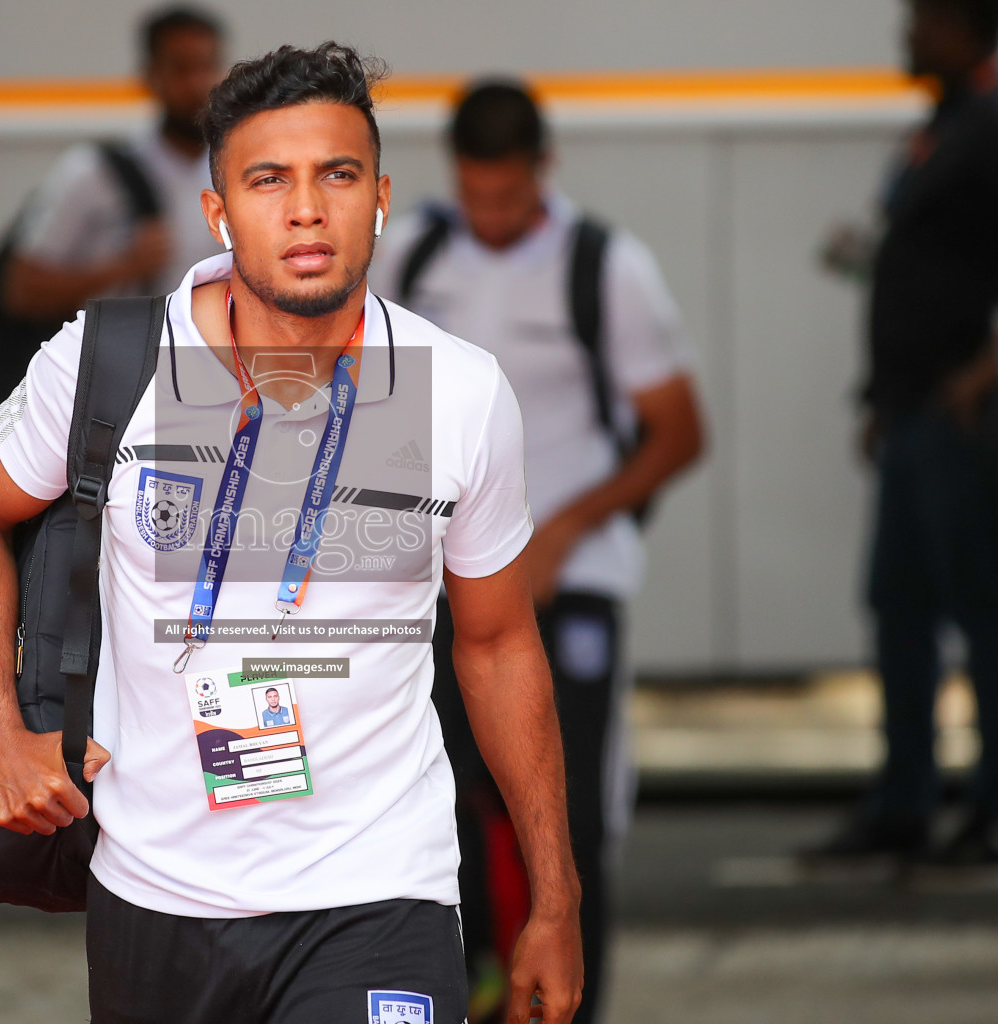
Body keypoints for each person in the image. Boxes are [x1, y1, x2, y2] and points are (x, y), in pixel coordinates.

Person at [0, 42, 583, 1024]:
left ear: (380, 197)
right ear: (219, 210)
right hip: (155, 892)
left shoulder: (456, 389)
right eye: (268, 179)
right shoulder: (117, 363)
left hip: (378, 889)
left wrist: (555, 890)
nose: (307, 208)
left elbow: (496, 642)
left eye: (338, 174)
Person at [370, 81, 703, 1024]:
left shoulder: (606, 267)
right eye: (476, 196)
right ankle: (478, 984)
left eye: (509, 198)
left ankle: (569, 1003)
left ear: (544, 171)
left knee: (567, 813)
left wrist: (561, 528)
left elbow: (678, 434)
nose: (492, 216)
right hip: (443, 579)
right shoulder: (416, 255)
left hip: (569, 581)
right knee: (442, 795)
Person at [803, 0, 998, 882]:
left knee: (985, 610)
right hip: (914, 409)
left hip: (966, 419)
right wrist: (883, 394)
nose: (906, 36)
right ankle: (905, 805)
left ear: (962, 27)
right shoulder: (952, 121)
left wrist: (996, 367)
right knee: (901, 608)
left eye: (920, 22)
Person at [0, 5, 225, 322]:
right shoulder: (93, 171)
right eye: (181, 69)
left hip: (216, 363)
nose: (196, 84)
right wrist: (124, 267)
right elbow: (21, 290)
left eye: (207, 67)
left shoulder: (239, 169)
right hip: (121, 363)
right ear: (149, 75)